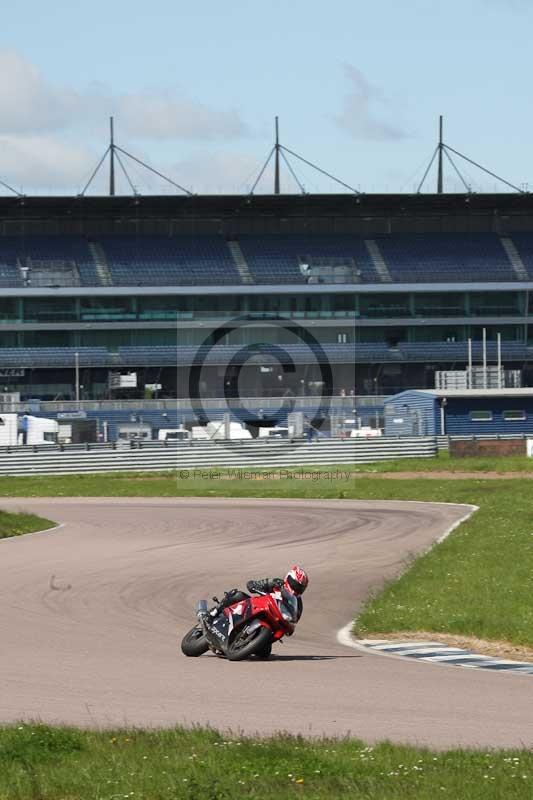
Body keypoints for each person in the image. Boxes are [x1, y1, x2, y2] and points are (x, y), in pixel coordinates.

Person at [197, 566, 309, 653]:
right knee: (238, 595)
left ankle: (242, 643)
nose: (296, 588)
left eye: (300, 587)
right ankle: (213, 613)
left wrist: (290, 627)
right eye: (295, 584)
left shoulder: (299, 604)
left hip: (274, 621)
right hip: (257, 607)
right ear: (288, 578)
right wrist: (255, 585)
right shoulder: (276, 583)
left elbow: (293, 620)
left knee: (265, 653)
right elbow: (254, 584)